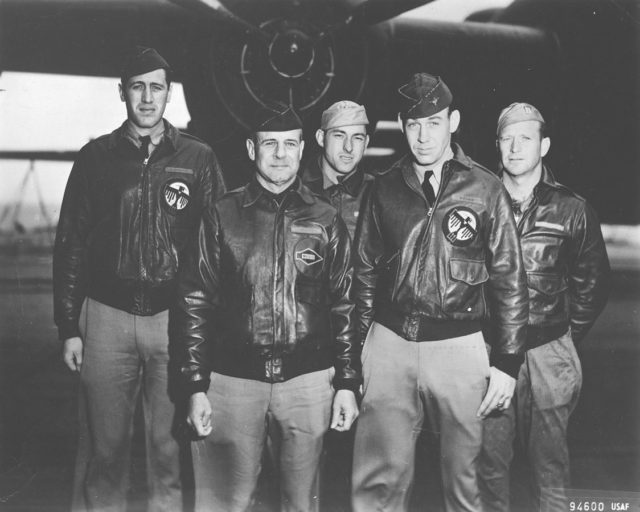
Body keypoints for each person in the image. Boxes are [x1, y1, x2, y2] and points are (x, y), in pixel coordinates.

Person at [53, 46, 225, 511]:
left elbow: (216, 250)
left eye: (157, 88)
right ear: (122, 93)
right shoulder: (95, 159)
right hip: (106, 318)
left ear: (170, 95)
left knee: (169, 453)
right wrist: (70, 325)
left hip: (173, 320)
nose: (147, 98)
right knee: (105, 452)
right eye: (137, 87)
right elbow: (70, 243)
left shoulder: (200, 158)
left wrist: (209, 327)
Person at [350, 72, 529, 512]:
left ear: (454, 121)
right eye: (413, 125)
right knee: (377, 483)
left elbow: (509, 279)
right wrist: (353, 353)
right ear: (401, 125)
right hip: (389, 345)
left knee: (464, 484)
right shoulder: (383, 188)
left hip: (459, 347)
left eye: (433, 123)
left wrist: (507, 361)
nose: (423, 135)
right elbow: (364, 275)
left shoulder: (486, 189)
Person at [175, 104, 361, 512]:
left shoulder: (326, 219)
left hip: (308, 385)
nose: (280, 154)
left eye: (290, 144)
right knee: (225, 502)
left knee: (302, 502)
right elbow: (193, 302)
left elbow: (345, 304)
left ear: (301, 150)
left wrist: (347, 381)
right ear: (250, 149)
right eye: (270, 144)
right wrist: (193, 385)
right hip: (231, 383)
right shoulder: (221, 215)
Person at [478, 102, 610, 511]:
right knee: (487, 464)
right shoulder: (477, 203)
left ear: (544, 145)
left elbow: (593, 284)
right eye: (507, 139)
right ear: (497, 145)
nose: (515, 148)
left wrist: (559, 337)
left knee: (550, 467)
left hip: (547, 353)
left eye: (526, 138)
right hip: (487, 353)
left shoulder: (572, 209)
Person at [301, 100, 373, 241]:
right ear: (321, 138)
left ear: (366, 143)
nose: (348, 147)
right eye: (339, 135)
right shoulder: (297, 191)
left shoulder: (378, 195)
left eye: (357, 138)